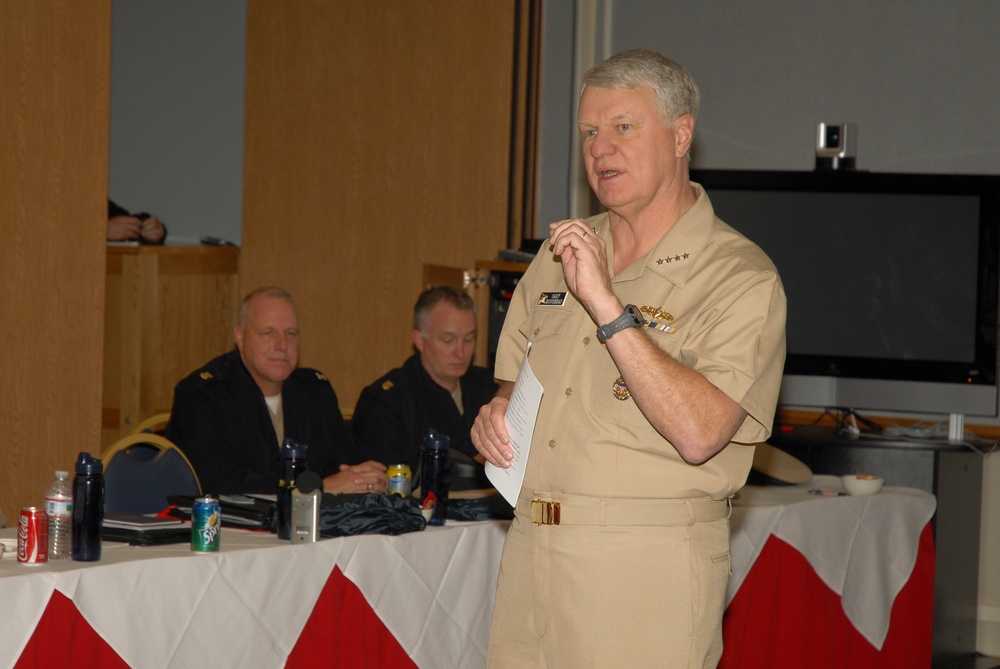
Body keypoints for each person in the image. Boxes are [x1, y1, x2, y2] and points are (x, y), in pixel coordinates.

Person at [471, 48, 786, 668]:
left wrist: (608, 306)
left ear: (681, 134)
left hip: (645, 564)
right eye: (590, 132)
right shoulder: (561, 251)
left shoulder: (740, 278)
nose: (600, 148)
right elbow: (516, 377)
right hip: (533, 550)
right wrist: (497, 412)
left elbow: (699, 434)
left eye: (623, 127)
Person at [166, 285, 387, 495]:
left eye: (290, 333)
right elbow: (216, 483)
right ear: (240, 336)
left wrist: (366, 478)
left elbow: (347, 464)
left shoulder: (315, 392)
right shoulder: (203, 395)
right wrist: (313, 489)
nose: (282, 345)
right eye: (268, 333)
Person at [352, 286, 497, 483]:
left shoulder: (490, 388)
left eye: (469, 339)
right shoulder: (387, 402)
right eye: (448, 340)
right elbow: (387, 488)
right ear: (419, 340)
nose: (461, 352)